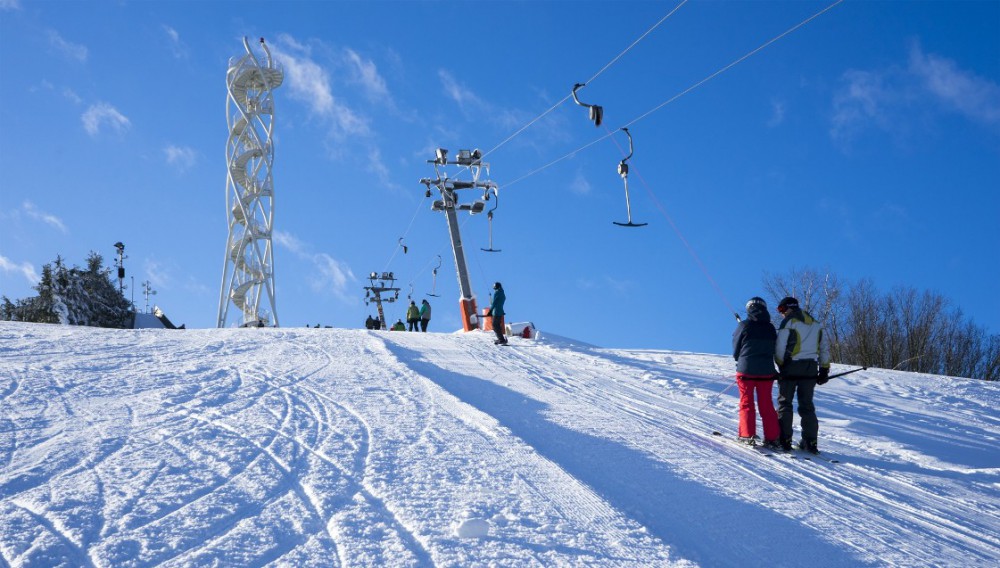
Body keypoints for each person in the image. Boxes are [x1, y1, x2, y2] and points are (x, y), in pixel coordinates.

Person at [774, 296, 831, 454]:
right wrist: (824, 369)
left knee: (785, 403)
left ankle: (784, 439)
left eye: (781, 310)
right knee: (807, 405)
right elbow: (823, 348)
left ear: (788, 308)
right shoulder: (815, 323)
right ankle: (810, 441)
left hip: (791, 365)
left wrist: (781, 364)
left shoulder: (789, 322)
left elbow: (780, 346)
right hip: (811, 367)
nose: (781, 314)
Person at [732, 297, 781, 449]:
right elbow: (775, 348)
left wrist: (740, 359)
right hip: (766, 372)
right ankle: (772, 437)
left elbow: (736, 349)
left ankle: (747, 434)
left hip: (746, 370)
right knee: (766, 404)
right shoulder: (771, 328)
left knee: (746, 402)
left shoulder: (744, 325)